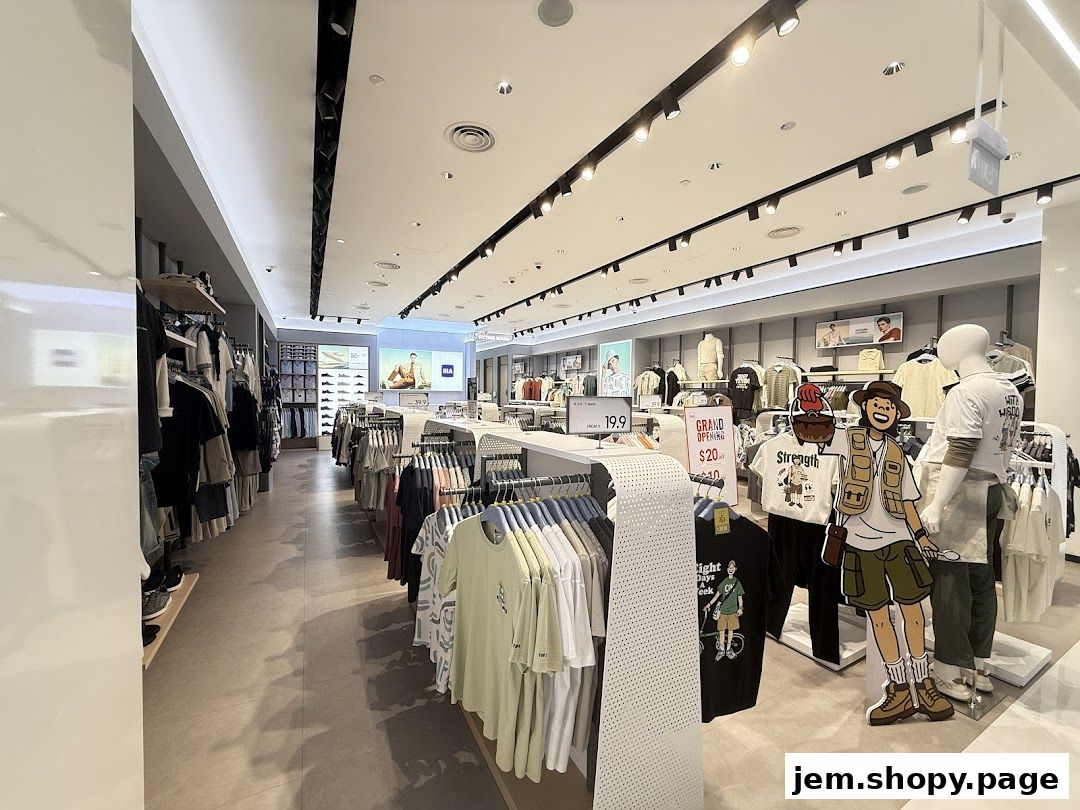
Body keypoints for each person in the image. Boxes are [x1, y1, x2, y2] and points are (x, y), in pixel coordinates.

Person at [792, 380, 953, 726]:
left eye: (890, 406)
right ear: (865, 408)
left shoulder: (898, 451)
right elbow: (815, 433)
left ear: (896, 414)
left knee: (913, 611)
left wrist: (921, 535)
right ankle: (898, 690)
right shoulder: (848, 439)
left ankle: (923, 684)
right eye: (878, 404)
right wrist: (810, 405)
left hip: (899, 540)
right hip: (859, 543)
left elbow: (909, 500)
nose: (883, 410)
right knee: (879, 615)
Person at [703, 560, 745, 661]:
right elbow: (717, 595)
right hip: (722, 612)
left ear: (735, 569)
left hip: (733, 612)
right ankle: (721, 650)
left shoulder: (737, 582)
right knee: (721, 631)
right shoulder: (724, 582)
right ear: (727, 569)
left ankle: (729, 649)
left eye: (732, 567)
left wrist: (740, 608)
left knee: (730, 631)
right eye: (729, 567)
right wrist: (709, 604)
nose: (731, 569)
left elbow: (740, 597)